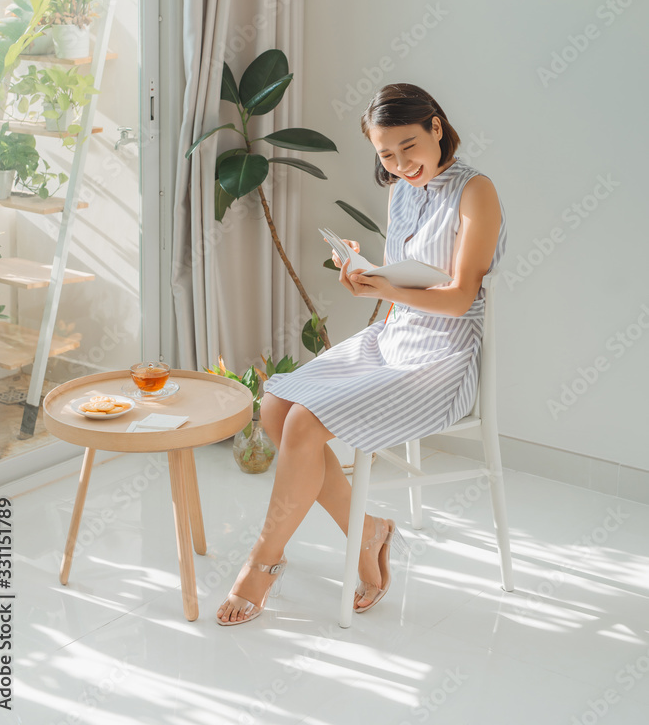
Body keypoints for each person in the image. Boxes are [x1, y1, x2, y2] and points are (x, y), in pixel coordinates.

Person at [216, 82, 506, 625]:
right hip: (393, 338)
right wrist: (364, 269)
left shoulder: (476, 192)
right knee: (277, 406)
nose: (400, 164)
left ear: (436, 128)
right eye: (386, 156)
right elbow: (410, 273)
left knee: (303, 422)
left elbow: (462, 296)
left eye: (408, 148)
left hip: (443, 359)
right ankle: (368, 530)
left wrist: (382, 290)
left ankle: (264, 561)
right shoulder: (401, 190)